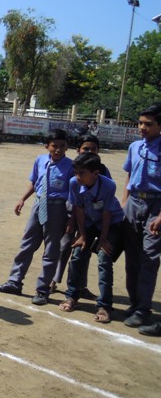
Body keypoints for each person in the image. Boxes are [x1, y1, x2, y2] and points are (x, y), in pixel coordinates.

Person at [0, 129, 73, 305]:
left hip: (57, 208)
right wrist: (22, 199)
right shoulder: (40, 160)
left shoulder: (71, 167)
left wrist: (70, 217)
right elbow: (35, 182)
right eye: (54, 146)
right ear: (47, 146)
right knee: (26, 245)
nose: (58, 150)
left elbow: (73, 194)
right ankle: (14, 282)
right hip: (38, 205)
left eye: (62, 146)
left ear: (67, 147)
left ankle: (42, 290)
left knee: (51, 250)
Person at [58, 153, 124, 323]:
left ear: (95, 173)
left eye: (82, 173)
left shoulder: (108, 185)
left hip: (110, 223)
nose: (77, 177)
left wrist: (103, 239)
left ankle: (104, 305)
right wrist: (82, 236)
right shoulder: (74, 183)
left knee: (104, 258)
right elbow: (79, 209)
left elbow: (107, 213)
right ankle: (72, 296)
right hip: (88, 222)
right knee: (78, 254)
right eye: (76, 173)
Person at [50, 134, 111, 297]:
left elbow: (106, 197)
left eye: (93, 149)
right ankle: (53, 280)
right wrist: (71, 220)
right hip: (74, 213)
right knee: (65, 245)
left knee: (84, 250)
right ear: (78, 150)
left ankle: (80, 286)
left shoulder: (102, 170)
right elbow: (73, 199)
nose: (90, 151)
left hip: (91, 217)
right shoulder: (74, 168)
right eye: (86, 149)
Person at [121, 103, 161, 334]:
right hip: (134, 203)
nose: (142, 128)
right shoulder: (134, 147)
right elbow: (129, 174)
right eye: (140, 123)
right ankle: (135, 303)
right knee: (132, 257)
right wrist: (124, 202)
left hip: (156, 205)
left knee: (149, 258)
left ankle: (143, 308)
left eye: (148, 124)